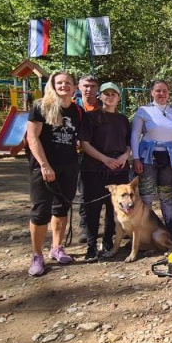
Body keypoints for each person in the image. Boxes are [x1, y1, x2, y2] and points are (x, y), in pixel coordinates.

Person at [25, 71, 82, 276]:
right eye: (59, 82)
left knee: (62, 208)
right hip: (43, 166)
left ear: (74, 87)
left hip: (69, 165)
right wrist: (44, 165)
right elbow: (32, 138)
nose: (63, 86)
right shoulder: (41, 106)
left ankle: (57, 247)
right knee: (41, 211)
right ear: (52, 84)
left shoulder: (77, 110)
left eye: (68, 83)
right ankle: (37, 255)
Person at [79, 82, 131, 262]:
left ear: (118, 97)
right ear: (100, 96)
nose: (110, 97)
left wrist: (124, 157)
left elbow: (129, 144)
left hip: (119, 170)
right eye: (106, 93)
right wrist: (105, 159)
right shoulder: (90, 117)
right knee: (92, 208)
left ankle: (108, 241)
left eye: (114, 94)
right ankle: (91, 245)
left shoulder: (123, 119)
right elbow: (85, 144)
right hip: (95, 168)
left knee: (114, 208)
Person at [131, 80, 172, 234]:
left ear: (168, 93)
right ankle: (144, 232)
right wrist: (136, 158)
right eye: (158, 91)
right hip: (148, 158)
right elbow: (135, 134)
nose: (161, 94)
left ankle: (171, 231)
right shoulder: (143, 111)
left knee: (167, 196)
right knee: (147, 196)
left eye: (165, 91)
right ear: (152, 92)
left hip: (168, 158)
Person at [75, 75, 103, 246]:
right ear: (79, 87)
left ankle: (111, 226)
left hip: (101, 154)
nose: (89, 89)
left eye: (92, 86)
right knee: (84, 192)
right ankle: (85, 227)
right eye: (86, 86)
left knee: (103, 192)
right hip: (78, 155)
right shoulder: (74, 107)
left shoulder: (103, 106)